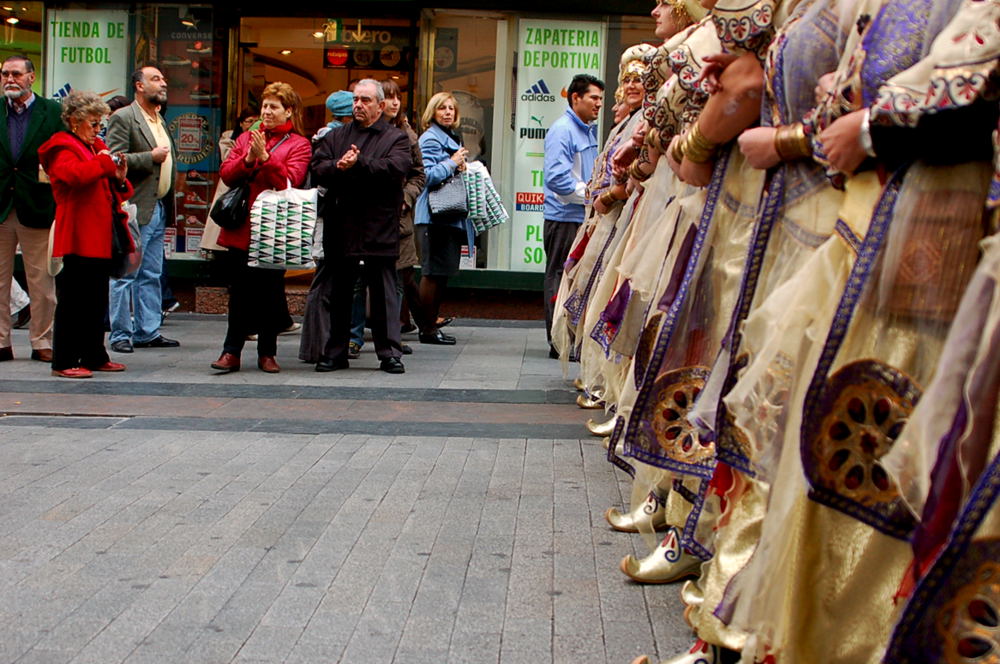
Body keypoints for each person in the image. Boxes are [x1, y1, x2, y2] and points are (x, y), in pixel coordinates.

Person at [210, 81, 311, 374]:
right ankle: (231, 352)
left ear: (288, 111)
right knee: (239, 293)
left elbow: (290, 181)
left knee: (270, 293)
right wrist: (249, 158)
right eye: (265, 106)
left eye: (274, 107)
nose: (266, 112)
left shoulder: (299, 144)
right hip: (241, 227)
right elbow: (227, 175)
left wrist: (266, 160)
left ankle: (268, 353)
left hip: (275, 230)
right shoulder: (246, 139)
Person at [310, 78, 410, 374]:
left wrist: (360, 163)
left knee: (383, 293)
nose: (358, 105)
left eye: (365, 100)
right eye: (355, 99)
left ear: (380, 106)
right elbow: (317, 167)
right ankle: (335, 351)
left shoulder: (395, 138)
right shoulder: (337, 135)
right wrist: (337, 166)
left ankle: (389, 352)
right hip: (342, 226)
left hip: (379, 227)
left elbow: (396, 168)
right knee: (340, 292)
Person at [37, 90, 133, 378]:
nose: (97, 129)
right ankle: (64, 360)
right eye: (93, 123)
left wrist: (118, 177)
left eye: (99, 123)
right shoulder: (61, 146)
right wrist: (105, 163)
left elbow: (111, 184)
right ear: (74, 120)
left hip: (99, 234)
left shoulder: (94, 146)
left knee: (95, 299)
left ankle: (93, 353)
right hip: (77, 234)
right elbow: (74, 176)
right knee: (73, 300)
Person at [106, 65, 180, 353]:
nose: (163, 83)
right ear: (139, 85)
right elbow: (114, 159)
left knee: (151, 271)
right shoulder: (125, 118)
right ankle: (120, 334)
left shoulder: (159, 119)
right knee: (126, 273)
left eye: (163, 78)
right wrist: (149, 157)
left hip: (158, 205)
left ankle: (147, 331)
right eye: (155, 79)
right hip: (134, 206)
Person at [0, 55, 64, 364]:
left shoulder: (52, 111)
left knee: (42, 281)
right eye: (5, 74)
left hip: (37, 204)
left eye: (16, 74)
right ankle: (1, 341)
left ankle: (42, 340)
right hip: (1, 205)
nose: (10, 79)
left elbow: (61, 153)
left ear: (31, 78)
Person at [543, 73, 603, 356]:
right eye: (594, 97)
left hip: (580, 216)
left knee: (574, 278)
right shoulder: (563, 130)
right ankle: (559, 341)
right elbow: (557, 178)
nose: (599, 104)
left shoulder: (584, 129)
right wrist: (592, 196)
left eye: (601, 99)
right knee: (560, 276)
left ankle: (568, 339)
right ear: (575, 98)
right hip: (565, 218)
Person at [413, 92, 471, 346]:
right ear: (432, 113)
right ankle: (426, 328)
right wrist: (452, 162)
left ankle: (430, 323)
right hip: (435, 215)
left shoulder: (449, 137)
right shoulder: (430, 139)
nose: (448, 112)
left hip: (448, 215)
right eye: (442, 108)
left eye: (451, 108)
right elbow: (425, 175)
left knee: (441, 273)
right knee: (433, 272)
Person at [382, 79, 425, 355]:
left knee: (399, 277)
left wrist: (406, 198)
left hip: (399, 217)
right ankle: (356, 335)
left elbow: (419, 174)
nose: (395, 102)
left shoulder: (408, 134)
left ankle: (393, 333)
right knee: (363, 280)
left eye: (398, 97)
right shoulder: (363, 131)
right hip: (369, 216)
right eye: (389, 97)